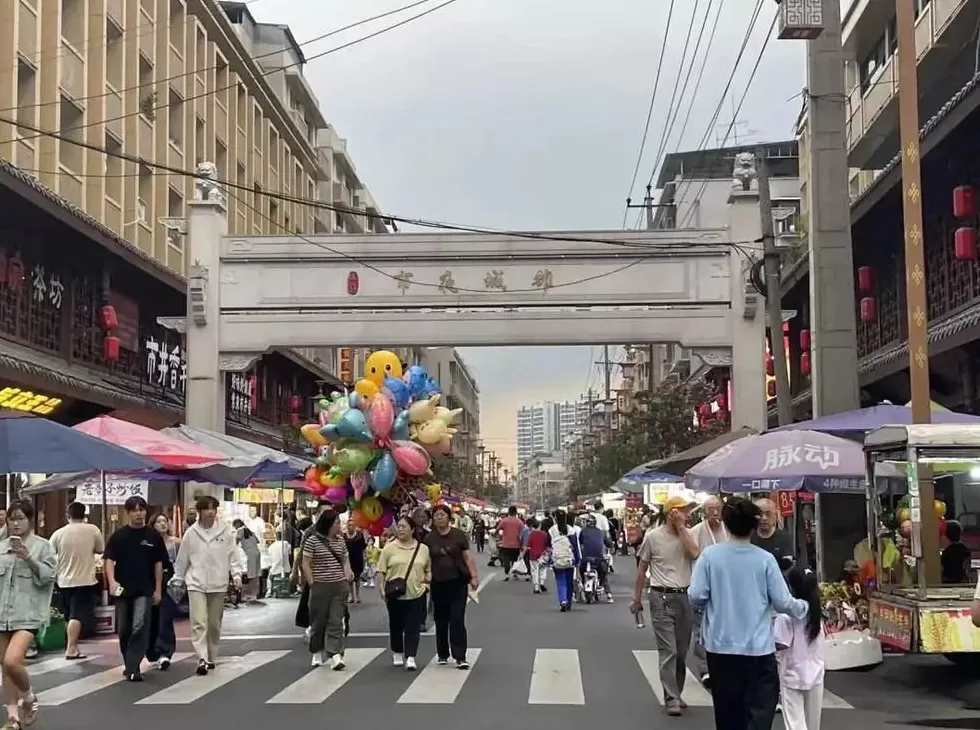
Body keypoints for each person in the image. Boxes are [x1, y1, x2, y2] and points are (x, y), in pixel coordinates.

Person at [688, 497, 809, 730]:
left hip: (720, 649)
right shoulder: (765, 560)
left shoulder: (709, 557)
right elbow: (784, 602)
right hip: (758, 650)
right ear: (754, 525)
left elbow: (696, 595)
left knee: (727, 712)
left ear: (725, 522)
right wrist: (805, 607)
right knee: (760, 711)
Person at [631, 496, 700, 716]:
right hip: (661, 597)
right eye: (682, 511)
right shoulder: (653, 537)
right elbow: (642, 569)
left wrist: (682, 529)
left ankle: (676, 693)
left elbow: (695, 553)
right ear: (671, 513)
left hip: (685, 597)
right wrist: (636, 599)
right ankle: (671, 697)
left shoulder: (687, 534)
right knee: (668, 650)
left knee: (681, 651)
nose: (687, 514)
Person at [172, 495, 243, 676]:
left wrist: (236, 574)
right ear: (200, 512)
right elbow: (183, 559)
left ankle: (211, 656)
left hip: (218, 583)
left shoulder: (225, 531)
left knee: (214, 624)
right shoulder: (191, 533)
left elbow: (233, 555)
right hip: (196, 583)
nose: (210, 512)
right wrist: (178, 578)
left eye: (213, 508)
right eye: (206, 509)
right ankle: (202, 657)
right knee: (198, 622)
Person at [0, 500, 56, 729]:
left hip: (28, 613)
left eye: (20, 518)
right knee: (5, 668)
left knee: (13, 662)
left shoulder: (42, 546)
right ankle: (12, 718)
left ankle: (29, 697)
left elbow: (49, 576)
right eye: (12, 519)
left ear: (30, 520)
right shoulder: (1, 546)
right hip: (2, 613)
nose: (15, 523)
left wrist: (28, 558)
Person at [103, 495, 167, 682]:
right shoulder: (119, 536)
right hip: (123, 589)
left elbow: (158, 565)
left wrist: (157, 590)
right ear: (128, 513)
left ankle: (134, 666)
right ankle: (129, 661)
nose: (139, 514)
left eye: (142, 510)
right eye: (135, 510)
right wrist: (112, 581)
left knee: (140, 625)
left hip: (145, 589)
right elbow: (109, 560)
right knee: (123, 628)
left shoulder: (152, 536)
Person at [424, 504, 478, 669]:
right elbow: (425, 561)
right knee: (441, 620)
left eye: (442, 514)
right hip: (438, 584)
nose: (439, 517)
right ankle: (442, 653)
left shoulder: (458, 535)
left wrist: (474, 576)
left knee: (457, 619)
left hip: (457, 583)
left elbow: (467, 557)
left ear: (449, 517)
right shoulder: (429, 538)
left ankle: (460, 656)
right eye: (436, 515)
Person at [49, 501, 104, 660]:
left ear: (68, 515)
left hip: (63, 580)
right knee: (77, 615)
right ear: (84, 514)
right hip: (84, 580)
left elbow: (50, 554)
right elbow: (100, 549)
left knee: (69, 615)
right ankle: (71, 648)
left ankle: (72, 645)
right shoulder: (93, 530)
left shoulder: (58, 533)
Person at [378, 514, 431, 671]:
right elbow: (381, 571)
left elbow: (428, 569)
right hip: (395, 594)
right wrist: (381, 589)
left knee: (413, 626)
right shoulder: (389, 548)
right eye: (399, 526)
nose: (400, 529)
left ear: (412, 529)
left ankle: (411, 656)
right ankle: (397, 651)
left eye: (404, 527)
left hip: (416, 593)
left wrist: (426, 584)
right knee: (396, 625)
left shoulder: (423, 549)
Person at [775, 566, 825, 730]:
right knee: (813, 725)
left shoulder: (786, 616)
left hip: (792, 676)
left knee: (795, 723)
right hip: (816, 674)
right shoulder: (817, 611)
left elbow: (781, 644)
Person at [301, 510, 352, 669]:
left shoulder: (340, 541)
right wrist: (312, 582)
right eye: (337, 522)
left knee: (336, 621)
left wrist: (347, 572)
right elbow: (305, 563)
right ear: (328, 524)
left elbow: (344, 559)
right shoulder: (312, 541)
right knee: (318, 621)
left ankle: (335, 654)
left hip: (339, 586)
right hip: (320, 586)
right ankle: (316, 650)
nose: (340, 525)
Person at [689, 495, 729, 686]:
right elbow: (692, 553)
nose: (715, 512)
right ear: (704, 512)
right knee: (701, 629)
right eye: (711, 508)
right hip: (704, 587)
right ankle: (705, 668)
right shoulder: (696, 531)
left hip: (726, 588)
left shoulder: (728, 531)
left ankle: (721, 665)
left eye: (718, 508)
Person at [146, 513, 179, 670]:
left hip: (170, 583)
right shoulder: (148, 543)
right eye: (158, 521)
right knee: (151, 619)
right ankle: (152, 651)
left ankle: (165, 652)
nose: (162, 524)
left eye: (164, 521)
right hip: (150, 582)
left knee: (165, 618)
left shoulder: (176, 543)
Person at [546, 510, 581, 611]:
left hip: (557, 559)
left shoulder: (552, 530)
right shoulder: (571, 530)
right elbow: (575, 546)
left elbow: (548, 545)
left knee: (560, 581)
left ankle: (563, 600)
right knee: (569, 581)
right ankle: (568, 602)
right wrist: (577, 561)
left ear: (555, 519)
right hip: (569, 559)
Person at [751, 498, 795, 568]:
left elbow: (788, 564)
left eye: (768, 514)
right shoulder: (749, 537)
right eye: (760, 514)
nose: (764, 518)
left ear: (775, 516)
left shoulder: (783, 537)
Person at [579, 514, 613, 602]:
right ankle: (606, 591)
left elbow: (579, 543)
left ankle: (584, 584)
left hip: (585, 558)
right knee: (604, 572)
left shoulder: (583, 531)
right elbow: (609, 544)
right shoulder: (602, 532)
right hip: (599, 559)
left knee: (581, 570)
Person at [233, 519, 262, 602]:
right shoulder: (249, 531)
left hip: (251, 554)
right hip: (257, 552)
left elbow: (235, 543)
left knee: (252, 574)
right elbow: (257, 541)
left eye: (234, 526)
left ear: (237, 524)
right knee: (256, 574)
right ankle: (255, 593)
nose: (235, 528)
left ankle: (251, 595)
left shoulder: (240, 530)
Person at [343, 519, 367, 603]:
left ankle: (357, 595)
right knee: (349, 578)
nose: (351, 527)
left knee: (357, 578)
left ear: (355, 526)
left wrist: (365, 558)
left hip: (358, 559)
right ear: (347, 526)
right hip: (348, 560)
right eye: (349, 525)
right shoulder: (344, 536)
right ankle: (351, 595)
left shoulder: (359, 535)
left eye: (352, 525)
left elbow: (363, 548)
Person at [496, 506, 524, 579]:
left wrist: (496, 535)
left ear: (509, 512)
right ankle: (515, 574)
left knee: (506, 559)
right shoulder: (519, 522)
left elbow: (498, 529)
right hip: (516, 544)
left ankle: (506, 573)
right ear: (516, 512)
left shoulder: (504, 521)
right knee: (515, 559)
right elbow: (523, 532)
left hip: (506, 544)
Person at [526, 518, 549, 594]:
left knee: (534, 571)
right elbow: (547, 545)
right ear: (540, 526)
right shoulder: (544, 534)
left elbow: (528, 546)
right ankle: (542, 583)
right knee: (543, 569)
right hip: (542, 555)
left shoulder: (531, 534)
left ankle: (536, 587)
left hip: (533, 555)